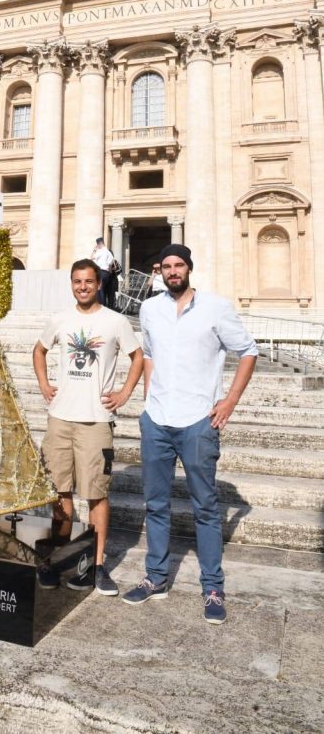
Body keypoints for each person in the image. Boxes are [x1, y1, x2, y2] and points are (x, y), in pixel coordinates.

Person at [122, 244, 258, 624]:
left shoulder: (217, 307)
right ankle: (156, 577)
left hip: (199, 421)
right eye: (166, 266)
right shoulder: (150, 308)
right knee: (156, 504)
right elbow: (148, 354)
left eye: (178, 265)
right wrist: (149, 403)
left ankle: (213, 587)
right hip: (158, 420)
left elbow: (248, 351)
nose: (173, 271)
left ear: (189, 269)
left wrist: (229, 401)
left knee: (206, 508)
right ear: (159, 271)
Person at [33, 259, 143, 593]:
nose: (83, 287)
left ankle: (96, 566)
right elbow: (38, 351)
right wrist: (44, 383)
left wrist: (124, 393)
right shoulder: (60, 319)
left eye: (89, 281)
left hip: (97, 420)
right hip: (61, 418)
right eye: (77, 281)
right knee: (59, 492)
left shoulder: (115, 321)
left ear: (99, 284)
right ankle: (53, 559)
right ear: (72, 284)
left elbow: (137, 357)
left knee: (96, 493)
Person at [91, 236, 114, 307]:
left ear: (99, 244)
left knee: (100, 291)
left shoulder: (101, 251)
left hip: (100, 272)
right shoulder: (109, 252)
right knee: (103, 290)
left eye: (97, 245)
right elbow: (111, 264)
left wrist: (94, 250)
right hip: (107, 273)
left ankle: (101, 307)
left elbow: (91, 258)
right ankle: (103, 306)